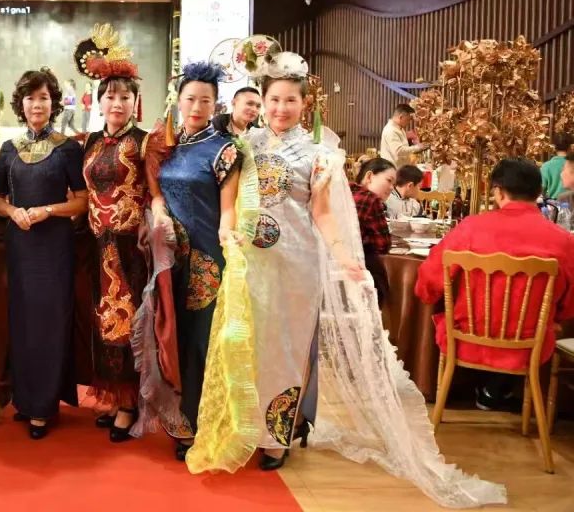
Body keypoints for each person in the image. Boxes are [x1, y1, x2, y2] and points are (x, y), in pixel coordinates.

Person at [187, 42, 505, 509]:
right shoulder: (243, 146)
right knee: (246, 346)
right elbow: (230, 202)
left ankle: (277, 437)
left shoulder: (318, 155)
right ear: (262, 101)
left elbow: (322, 214)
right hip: (249, 264)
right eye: (273, 99)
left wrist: (343, 255)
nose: (280, 108)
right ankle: (244, 427)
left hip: (296, 266)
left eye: (290, 100)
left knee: (288, 351)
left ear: (304, 104)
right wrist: (226, 232)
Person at [139, 60, 246, 461]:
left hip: (207, 257)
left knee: (202, 340)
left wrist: (227, 236)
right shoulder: (163, 144)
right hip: (170, 256)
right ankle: (176, 418)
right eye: (190, 99)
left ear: (216, 104)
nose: (197, 107)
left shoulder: (225, 150)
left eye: (205, 100)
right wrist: (159, 212)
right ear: (178, 101)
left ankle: (201, 422)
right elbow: (156, 193)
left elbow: (228, 207)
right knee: (172, 334)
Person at [417, 158, 574, 412]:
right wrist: (557, 317)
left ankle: (479, 391)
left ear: (498, 192)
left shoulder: (470, 228)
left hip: (466, 341)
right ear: (538, 192)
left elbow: (429, 280)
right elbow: (570, 300)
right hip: (530, 345)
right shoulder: (563, 240)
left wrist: (427, 295)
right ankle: (496, 392)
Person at [0, 68, 88, 439]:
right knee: (22, 320)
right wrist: (12, 211)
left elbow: (82, 201)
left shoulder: (68, 148)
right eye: (30, 98)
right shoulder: (9, 148)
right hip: (20, 244)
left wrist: (48, 210)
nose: (37, 105)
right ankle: (26, 398)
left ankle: (44, 405)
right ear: (21, 104)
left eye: (43, 98)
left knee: (50, 320)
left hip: (54, 246)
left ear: (53, 103)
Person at [73, 29, 152, 442]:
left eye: (125, 96)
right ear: (99, 101)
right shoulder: (90, 141)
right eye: (110, 96)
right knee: (102, 319)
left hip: (129, 248)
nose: (117, 103)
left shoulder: (145, 143)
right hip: (96, 243)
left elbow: (156, 192)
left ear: (135, 102)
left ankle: (129, 403)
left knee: (128, 321)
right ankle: (112, 395)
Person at [352, 157, 395, 305]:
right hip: (360, 272)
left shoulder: (345, 191)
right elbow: (383, 245)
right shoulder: (370, 199)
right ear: (369, 176)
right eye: (389, 180)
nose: (391, 188)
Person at [541, 133, 573, 200]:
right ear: (570, 147)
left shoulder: (546, 166)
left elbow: (541, 189)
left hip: (553, 203)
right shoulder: (571, 163)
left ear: (554, 148)